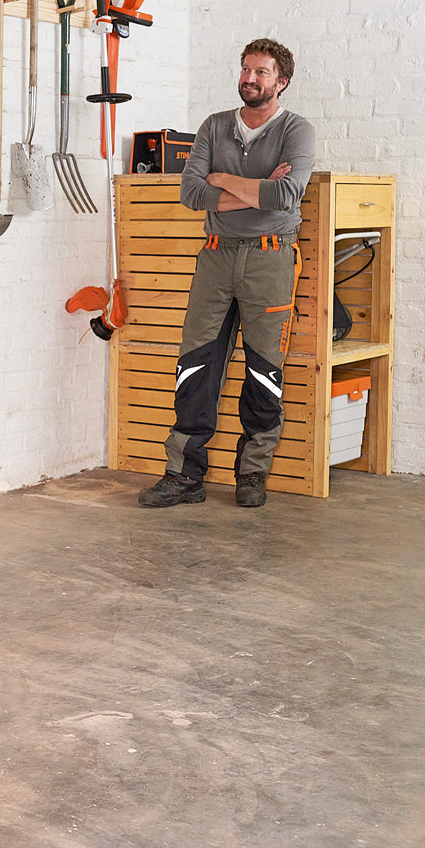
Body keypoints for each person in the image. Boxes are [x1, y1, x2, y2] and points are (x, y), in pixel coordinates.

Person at [139, 38, 315, 510]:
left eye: (261, 72)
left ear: (281, 81)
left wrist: (222, 180)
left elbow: (285, 197)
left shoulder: (297, 130)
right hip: (215, 258)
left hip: (270, 259)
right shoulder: (214, 127)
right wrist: (256, 189)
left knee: (264, 370)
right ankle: (184, 477)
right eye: (245, 69)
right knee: (196, 365)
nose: (250, 78)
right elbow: (192, 194)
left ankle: (252, 473)